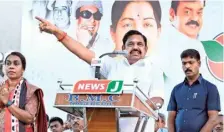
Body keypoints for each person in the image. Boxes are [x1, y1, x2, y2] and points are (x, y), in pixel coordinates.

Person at [36, 11, 164, 129]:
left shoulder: (153, 69)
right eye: (131, 44)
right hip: (109, 127)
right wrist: (56, 32)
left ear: (146, 49)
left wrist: (132, 105)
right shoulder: (111, 64)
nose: (135, 47)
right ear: (123, 48)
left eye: (140, 44)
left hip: (141, 128)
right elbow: (82, 52)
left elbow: (157, 100)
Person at [167, 49, 221, 132]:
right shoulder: (176, 89)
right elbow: (171, 118)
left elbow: (213, 118)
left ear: (199, 64)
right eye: (184, 63)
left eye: (191, 62)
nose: (187, 66)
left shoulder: (210, 88)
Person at [0, 51, 47, 131]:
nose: (11, 66)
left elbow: (29, 118)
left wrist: (7, 102)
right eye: (8, 63)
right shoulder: (1, 87)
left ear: (23, 69)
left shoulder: (30, 90)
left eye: (16, 63)